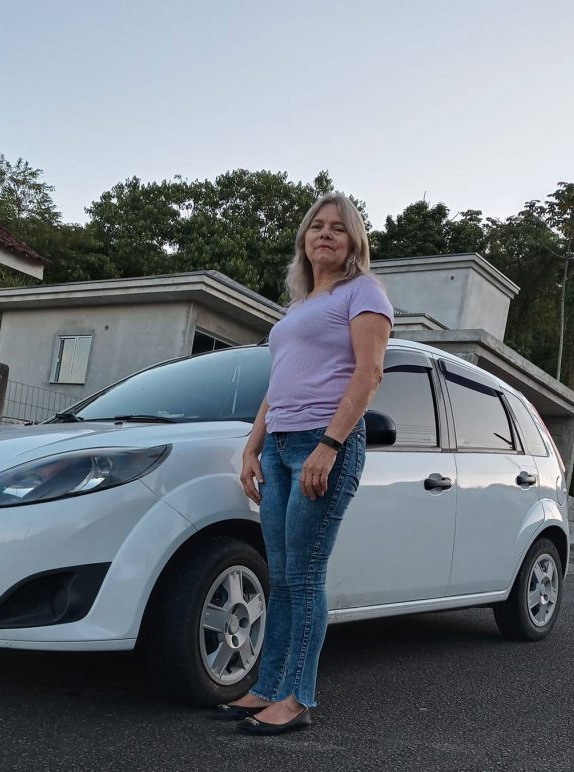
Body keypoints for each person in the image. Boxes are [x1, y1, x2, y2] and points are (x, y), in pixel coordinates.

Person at [214, 192, 393, 735]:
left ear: (353, 241)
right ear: (304, 239)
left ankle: (298, 698)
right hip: (280, 443)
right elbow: (280, 381)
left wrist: (330, 445)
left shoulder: (364, 292)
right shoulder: (297, 307)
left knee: (305, 574)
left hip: (323, 443)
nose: (326, 234)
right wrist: (253, 443)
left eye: (338, 228)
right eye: (317, 226)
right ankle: (267, 687)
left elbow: (369, 374)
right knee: (283, 576)